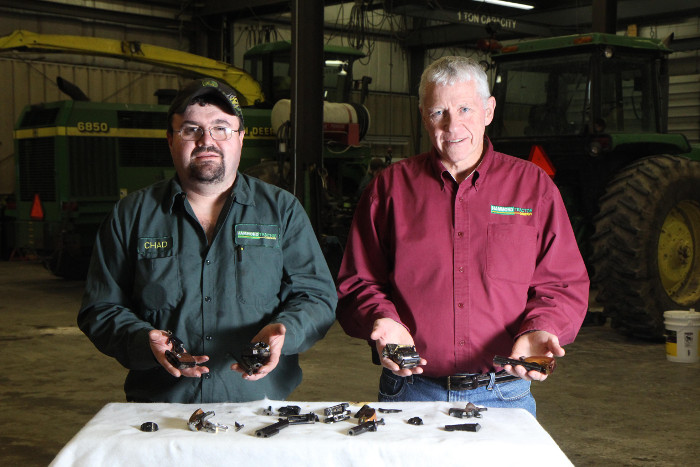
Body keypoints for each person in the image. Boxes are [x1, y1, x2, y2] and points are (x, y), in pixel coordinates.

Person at [336, 56, 589, 416]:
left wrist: (542, 326)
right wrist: (383, 319)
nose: (453, 125)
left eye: (466, 108)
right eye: (439, 112)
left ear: (488, 111)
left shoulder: (533, 188)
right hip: (411, 392)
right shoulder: (389, 189)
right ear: (424, 116)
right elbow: (359, 281)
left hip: (504, 394)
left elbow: (562, 283)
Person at [78, 78, 337, 403]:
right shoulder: (131, 215)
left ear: (240, 138)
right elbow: (100, 308)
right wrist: (144, 340)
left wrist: (287, 329)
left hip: (258, 410)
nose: (206, 140)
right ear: (170, 139)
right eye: (190, 129)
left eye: (221, 128)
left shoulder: (282, 211)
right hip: (162, 411)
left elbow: (317, 296)